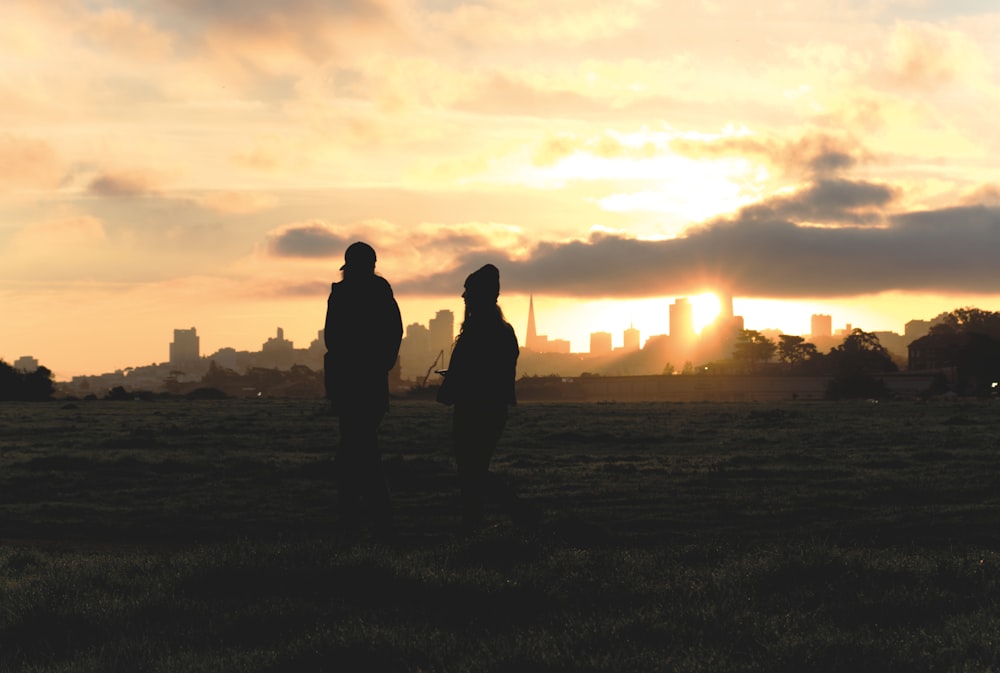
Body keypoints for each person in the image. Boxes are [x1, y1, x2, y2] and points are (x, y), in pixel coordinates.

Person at [437, 264, 526, 531]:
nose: (463, 297)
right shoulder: (504, 331)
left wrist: (450, 385)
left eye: (468, 291)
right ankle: (482, 521)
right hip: (494, 408)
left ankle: (509, 514)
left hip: (473, 409)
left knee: (470, 471)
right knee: (474, 469)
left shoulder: (476, 333)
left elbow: (469, 372)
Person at [324, 241, 402, 540]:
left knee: (356, 454)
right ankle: (372, 520)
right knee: (361, 451)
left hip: (351, 386)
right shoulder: (381, 294)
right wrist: (380, 365)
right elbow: (394, 333)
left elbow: (332, 339)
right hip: (369, 386)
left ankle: (359, 520)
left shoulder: (342, 294)